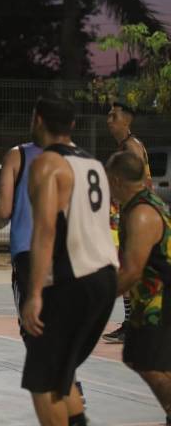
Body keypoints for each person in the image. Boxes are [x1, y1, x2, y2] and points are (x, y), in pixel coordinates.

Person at [21, 94, 119, 426]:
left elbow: (46, 229)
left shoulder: (46, 164)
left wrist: (34, 294)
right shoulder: (94, 164)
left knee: (43, 381)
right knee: (63, 370)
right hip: (104, 278)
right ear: (73, 125)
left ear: (37, 120)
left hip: (70, 281)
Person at [0, 140, 87, 408]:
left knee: (34, 325)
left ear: (38, 119)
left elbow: (4, 211)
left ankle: (65, 390)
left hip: (30, 251)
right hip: (68, 253)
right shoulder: (79, 156)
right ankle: (69, 387)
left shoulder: (18, 155)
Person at [106, 151, 171, 426]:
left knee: (146, 361)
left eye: (108, 178)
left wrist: (97, 301)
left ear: (118, 180)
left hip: (161, 299)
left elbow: (131, 272)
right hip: (151, 299)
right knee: (141, 359)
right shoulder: (137, 205)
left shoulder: (142, 213)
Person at [104, 101, 154, 343]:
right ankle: (131, 322)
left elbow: (142, 184)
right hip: (126, 213)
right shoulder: (125, 145)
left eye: (113, 115)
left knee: (132, 268)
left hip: (134, 214)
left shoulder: (131, 147)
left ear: (127, 120)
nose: (108, 119)